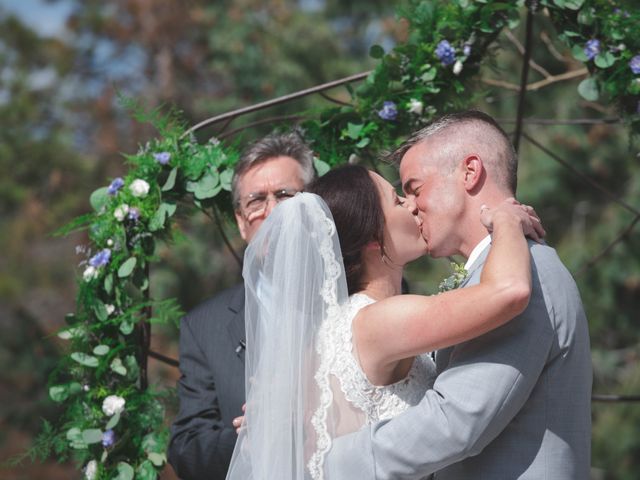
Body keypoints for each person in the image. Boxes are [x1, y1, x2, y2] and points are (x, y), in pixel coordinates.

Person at [226, 162, 544, 479]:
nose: (412, 204)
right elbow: (509, 289)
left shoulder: (347, 322)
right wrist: (505, 219)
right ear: (373, 237)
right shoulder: (376, 320)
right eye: (396, 200)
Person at [326, 111, 593, 479]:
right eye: (400, 197)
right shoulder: (498, 275)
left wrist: (323, 461)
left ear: (470, 172)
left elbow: (457, 420)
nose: (412, 206)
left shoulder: (529, 270)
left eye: (415, 188)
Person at [167, 131, 316, 480]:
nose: (273, 211)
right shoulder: (204, 326)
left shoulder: (360, 293)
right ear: (240, 222)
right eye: (256, 201)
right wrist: (251, 439)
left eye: (285, 195)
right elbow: (187, 447)